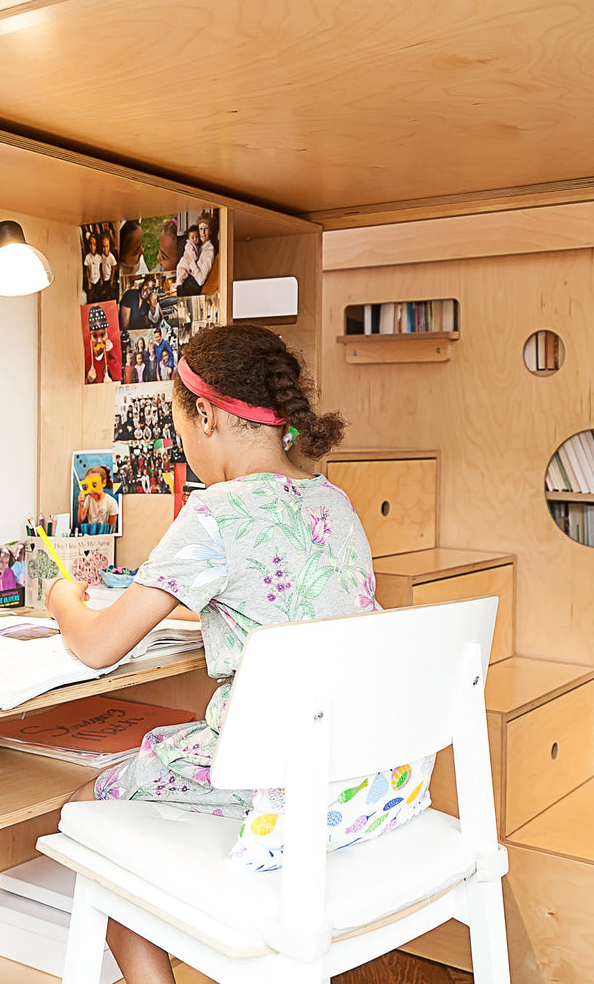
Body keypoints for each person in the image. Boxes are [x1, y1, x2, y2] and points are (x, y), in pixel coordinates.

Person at [46, 325, 414, 984]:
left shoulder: (214, 513)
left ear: (207, 416)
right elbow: (283, 596)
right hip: (362, 779)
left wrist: (61, 599)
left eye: (182, 429)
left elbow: (99, 644)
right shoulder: (335, 503)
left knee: (88, 808)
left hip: (275, 783)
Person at [173, 213, 216, 297]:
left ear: (210, 231)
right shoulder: (199, 246)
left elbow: (200, 280)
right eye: (200, 229)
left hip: (192, 287)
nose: (203, 232)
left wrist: (190, 261)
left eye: (206, 229)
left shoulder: (209, 251)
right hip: (186, 281)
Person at [75, 464, 120, 532]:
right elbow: (81, 520)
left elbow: (112, 528)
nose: (90, 491)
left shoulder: (111, 502)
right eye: (87, 486)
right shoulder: (89, 499)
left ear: (103, 483)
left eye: (94, 486)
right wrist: (80, 504)